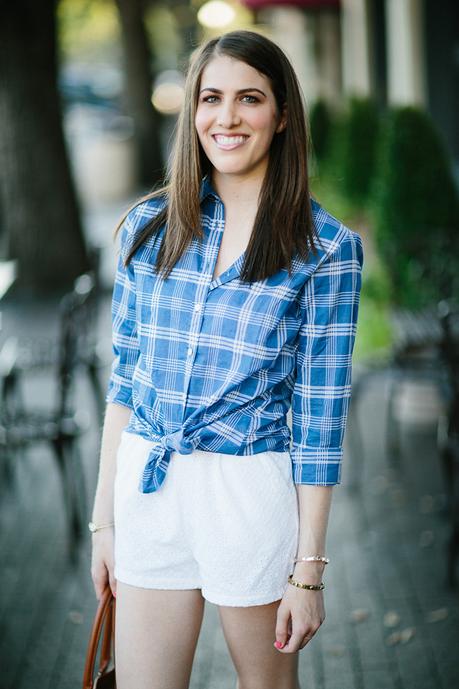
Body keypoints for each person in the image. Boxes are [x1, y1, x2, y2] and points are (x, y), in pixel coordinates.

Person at [90, 29, 363, 689]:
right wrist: (106, 521)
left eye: (249, 98)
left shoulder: (325, 250)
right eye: (210, 98)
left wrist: (308, 571)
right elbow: (123, 385)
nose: (227, 116)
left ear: (281, 114)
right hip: (148, 487)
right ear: (192, 112)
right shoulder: (146, 229)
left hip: (247, 491)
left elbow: (318, 423)